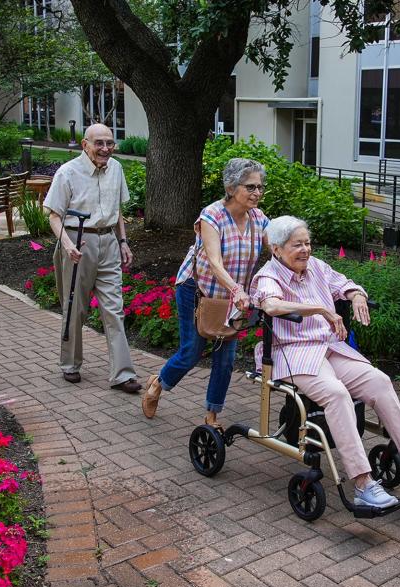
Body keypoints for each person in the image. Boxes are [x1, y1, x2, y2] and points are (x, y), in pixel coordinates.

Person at [250, 215, 400, 508]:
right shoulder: (268, 276)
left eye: (308, 243)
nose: (306, 250)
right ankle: (363, 484)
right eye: (298, 245)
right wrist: (321, 309)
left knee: (380, 382)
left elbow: (344, 283)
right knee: (336, 394)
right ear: (278, 249)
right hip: (293, 354)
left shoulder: (317, 268)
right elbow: (271, 305)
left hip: (330, 349)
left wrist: (356, 295)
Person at [141, 158, 270, 426]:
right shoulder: (212, 215)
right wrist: (237, 289)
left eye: (260, 186)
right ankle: (158, 384)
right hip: (197, 290)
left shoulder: (259, 219)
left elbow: (279, 249)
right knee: (191, 352)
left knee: (225, 358)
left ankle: (212, 415)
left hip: (233, 298)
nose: (258, 192)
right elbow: (214, 261)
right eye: (251, 187)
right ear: (232, 187)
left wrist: (302, 260)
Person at [43, 123, 142, 394]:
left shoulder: (117, 169)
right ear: (85, 144)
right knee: (75, 307)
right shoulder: (68, 172)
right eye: (99, 143)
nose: (105, 148)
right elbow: (53, 214)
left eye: (109, 143)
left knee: (114, 308)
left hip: (108, 241)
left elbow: (117, 209)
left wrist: (123, 241)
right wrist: (67, 245)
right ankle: (70, 363)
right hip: (77, 240)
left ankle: (122, 374)